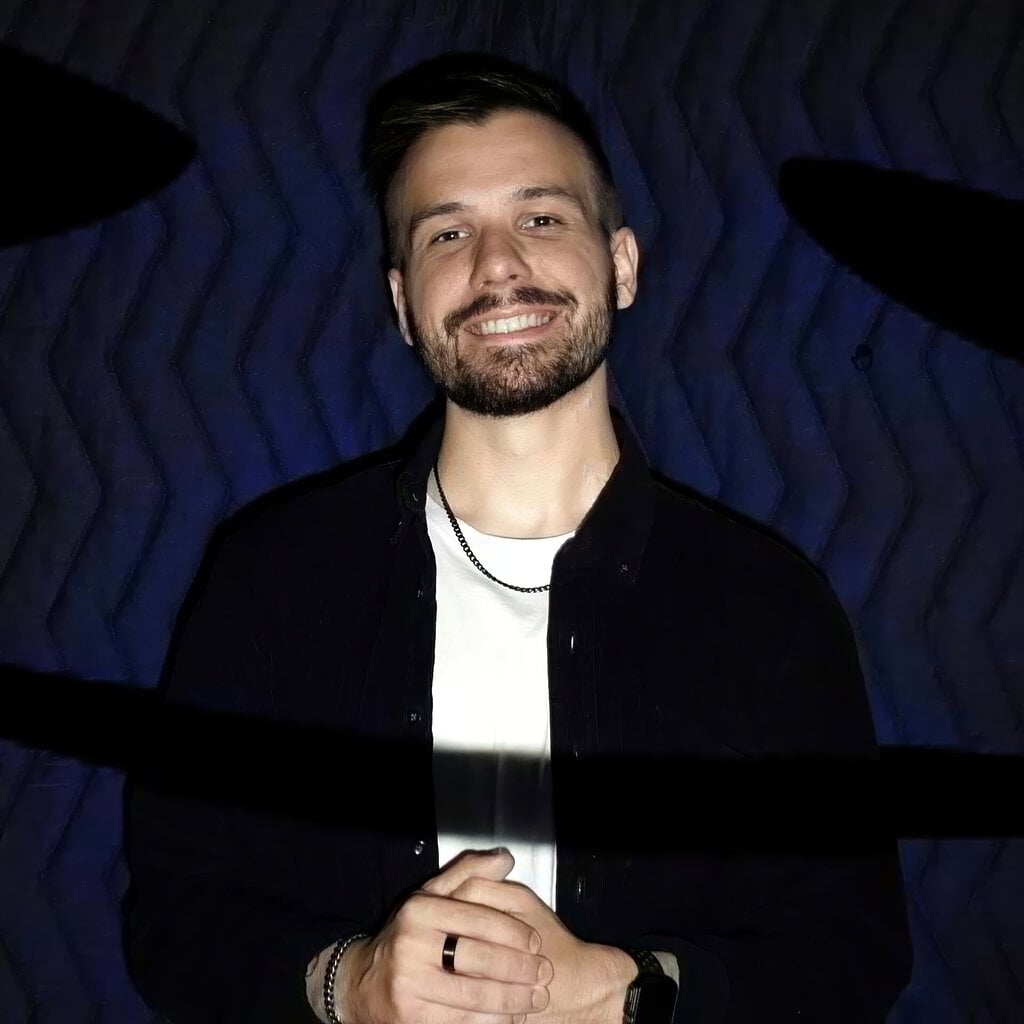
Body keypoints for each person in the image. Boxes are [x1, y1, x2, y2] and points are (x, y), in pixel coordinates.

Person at [124, 54, 913, 1024]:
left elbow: (855, 951)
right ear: (402, 301)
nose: (497, 265)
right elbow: (174, 912)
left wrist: (632, 991)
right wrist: (349, 984)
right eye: (448, 231)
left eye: (540, 218)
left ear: (621, 264)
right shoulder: (270, 576)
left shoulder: (768, 605)